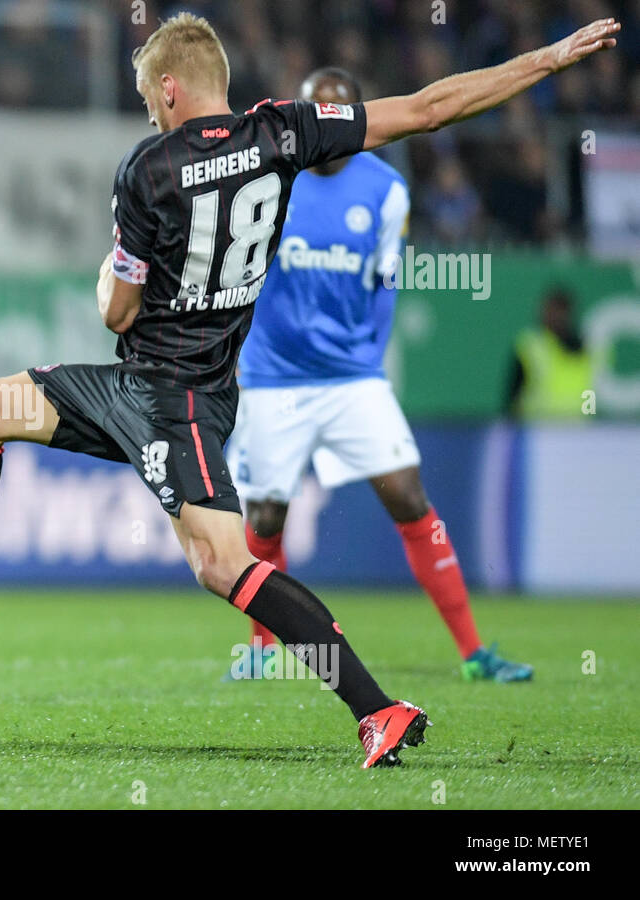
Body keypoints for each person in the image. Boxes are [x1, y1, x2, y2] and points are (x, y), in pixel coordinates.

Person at [0, 13, 620, 768]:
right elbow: (427, 109)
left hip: (168, 398)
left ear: (172, 88)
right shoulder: (282, 133)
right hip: (162, 388)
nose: (149, 108)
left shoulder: (148, 167)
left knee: (223, 565)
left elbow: (116, 308)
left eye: (149, 95)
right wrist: (544, 62)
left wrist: (111, 279)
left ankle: (377, 707)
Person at [223, 67, 532, 684]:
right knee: (263, 521)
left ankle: (473, 653)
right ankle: (260, 650)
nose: (326, 126)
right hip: (274, 380)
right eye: (315, 114)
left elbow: (386, 282)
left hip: (352, 380)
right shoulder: (268, 182)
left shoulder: (387, 191)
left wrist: (368, 351)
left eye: (338, 114)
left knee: (413, 502)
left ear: (355, 118)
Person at [506, 286, 594, 420]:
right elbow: (513, 395)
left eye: (559, 311)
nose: (554, 316)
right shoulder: (530, 346)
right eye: (550, 310)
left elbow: (590, 392)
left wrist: (591, 421)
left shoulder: (587, 350)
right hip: (537, 430)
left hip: (578, 431)